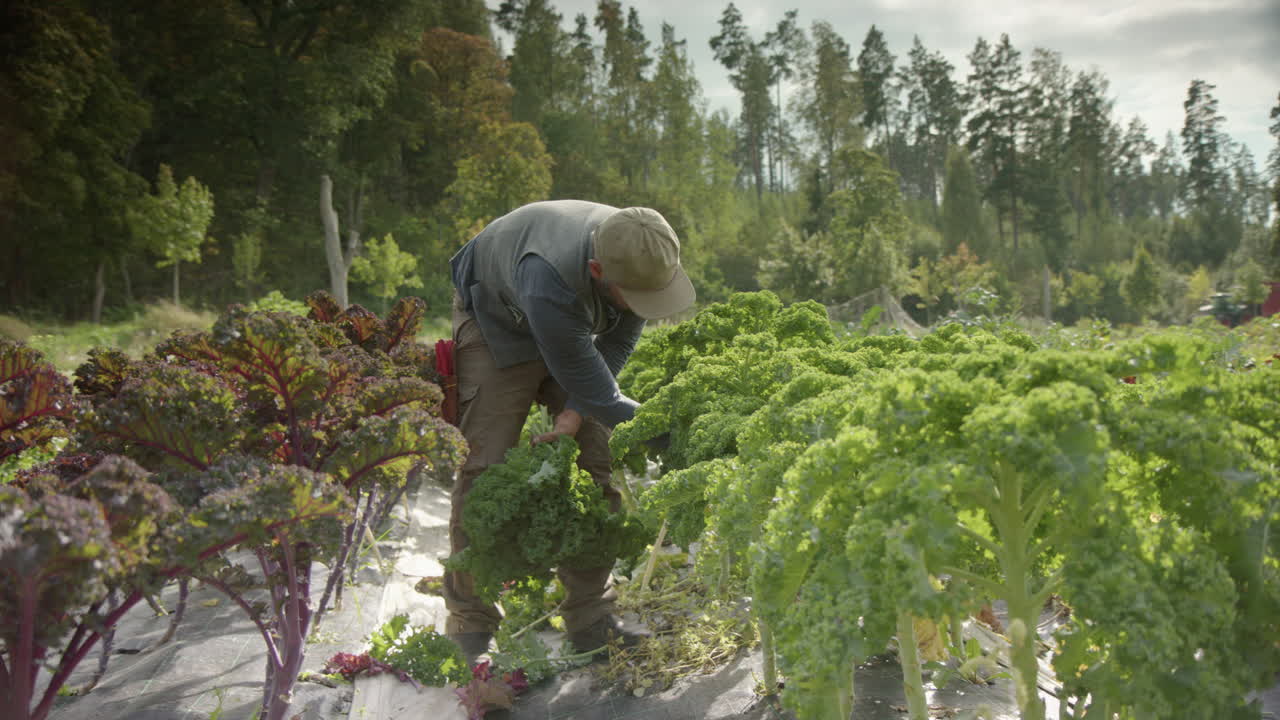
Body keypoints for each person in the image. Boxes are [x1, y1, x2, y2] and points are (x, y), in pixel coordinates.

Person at [442, 200, 695, 664]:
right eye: (635, 297)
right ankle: (470, 623)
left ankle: (590, 618)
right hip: (498, 317)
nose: (647, 307)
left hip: (570, 320)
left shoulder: (640, 252)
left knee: (593, 461)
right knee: (485, 464)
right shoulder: (547, 277)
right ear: (598, 270)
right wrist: (673, 439)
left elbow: (614, 348)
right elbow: (600, 391)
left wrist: (572, 416)